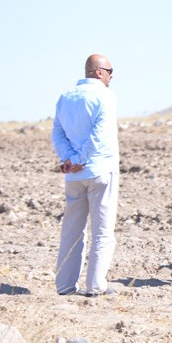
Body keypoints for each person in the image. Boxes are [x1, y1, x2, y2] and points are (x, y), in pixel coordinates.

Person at [51, 54, 120, 297]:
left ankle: (65, 286)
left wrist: (69, 159)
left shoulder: (65, 98)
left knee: (71, 231)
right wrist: (80, 160)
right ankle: (96, 286)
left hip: (74, 176)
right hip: (100, 170)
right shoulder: (105, 97)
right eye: (111, 71)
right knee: (102, 231)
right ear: (99, 72)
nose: (112, 76)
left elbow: (57, 134)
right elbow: (99, 135)